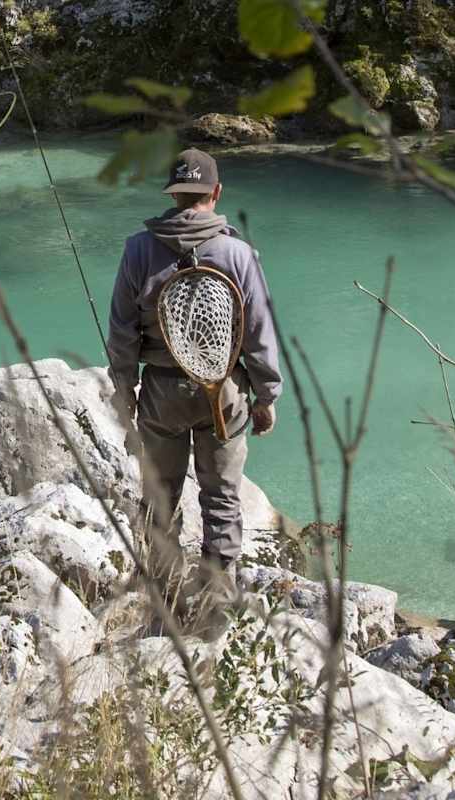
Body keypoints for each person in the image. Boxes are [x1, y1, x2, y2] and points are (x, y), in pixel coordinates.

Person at [107, 148, 283, 597]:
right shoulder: (240, 254)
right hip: (224, 394)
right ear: (216, 193)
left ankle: (163, 591)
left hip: (161, 394)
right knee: (222, 496)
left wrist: (125, 393)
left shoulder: (137, 249)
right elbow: (258, 331)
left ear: (174, 194)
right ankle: (217, 595)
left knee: (160, 495)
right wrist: (267, 397)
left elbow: (122, 332)